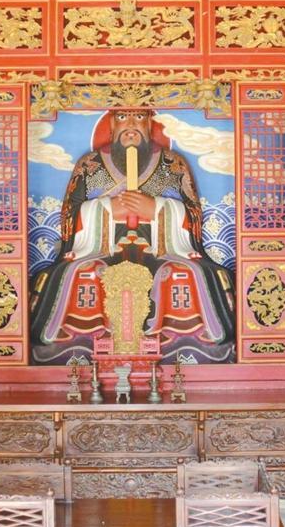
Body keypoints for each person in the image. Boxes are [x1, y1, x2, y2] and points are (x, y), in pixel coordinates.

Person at [30, 109, 235, 364]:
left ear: (150, 125)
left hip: (162, 248)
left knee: (183, 274)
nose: (130, 125)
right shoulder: (90, 164)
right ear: (111, 125)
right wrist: (105, 209)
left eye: (138, 118)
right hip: (100, 247)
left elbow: (193, 213)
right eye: (122, 117)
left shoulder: (173, 163)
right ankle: (81, 338)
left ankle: (180, 338)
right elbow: (69, 214)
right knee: (85, 273)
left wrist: (158, 209)